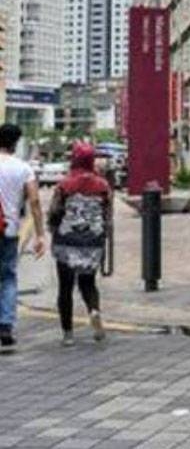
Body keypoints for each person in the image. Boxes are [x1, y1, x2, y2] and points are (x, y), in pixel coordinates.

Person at [47, 142, 112, 346]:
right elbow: (107, 215)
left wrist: (52, 229)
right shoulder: (103, 186)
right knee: (88, 283)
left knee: (65, 288)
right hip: (92, 241)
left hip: (67, 241)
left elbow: (55, 211)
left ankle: (68, 334)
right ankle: (94, 310)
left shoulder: (64, 185)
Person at [0, 124, 46, 353]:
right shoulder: (23, 168)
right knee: (7, 277)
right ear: (15, 143)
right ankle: (6, 326)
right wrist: (40, 234)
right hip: (8, 230)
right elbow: (35, 202)